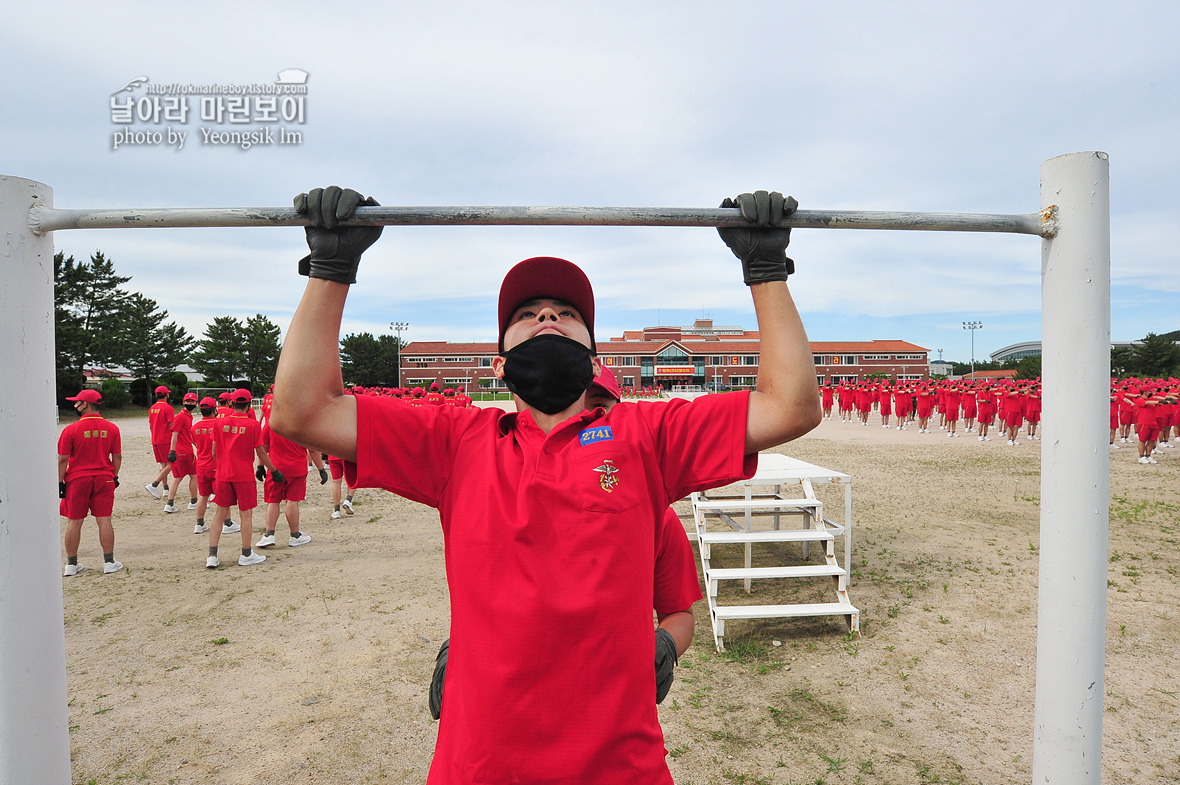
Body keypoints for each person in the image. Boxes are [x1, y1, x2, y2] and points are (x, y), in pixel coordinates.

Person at [270, 186, 820, 785]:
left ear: (592, 351)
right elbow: (303, 412)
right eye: (527, 314)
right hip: (479, 766)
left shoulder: (648, 435)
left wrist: (766, 272)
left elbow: (790, 406)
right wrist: (331, 270)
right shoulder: (456, 442)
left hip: (619, 768)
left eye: (567, 312)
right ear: (500, 363)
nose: (548, 317)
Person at [426, 366, 699, 721]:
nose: (581, 418)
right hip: (504, 712)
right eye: (567, 404)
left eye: (598, 405)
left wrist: (664, 645)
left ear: (623, 411)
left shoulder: (656, 517)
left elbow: (679, 612)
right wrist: (457, 649)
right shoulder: (493, 497)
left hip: (603, 714)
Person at [206, 388, 283, 568]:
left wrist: (223, 464)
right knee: (245, 514)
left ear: (232, 404)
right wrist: (274, 471)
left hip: (223, 475)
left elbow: (214, 452)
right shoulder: (253, 425)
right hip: (243, 475)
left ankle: (212, 555)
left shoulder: (219, 423)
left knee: (219, 514)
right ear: (249, 405)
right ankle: (246, 554)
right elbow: (261, 453)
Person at [58, 389, 124, 576]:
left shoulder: (70, 430)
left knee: (75, 521)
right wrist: (115, 475)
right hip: (104, 477)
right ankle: (109, 562)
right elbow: (117, 456)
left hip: (77, 479)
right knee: (104, 520)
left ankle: (71, 564)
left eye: (77, 402)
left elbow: (63, 459)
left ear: (85, 404)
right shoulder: (112, 428)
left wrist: (60, 482)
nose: (74, 405)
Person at [255, 411, 312, 549]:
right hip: (297, 468)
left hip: (276, 468)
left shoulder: (271, 423)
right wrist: (321, 469)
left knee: (273, 500)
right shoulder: (302, 424)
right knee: (292, 500)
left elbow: (263, 448)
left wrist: (260, 466)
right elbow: (313, 449)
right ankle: (295, 535)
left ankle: (269, 534)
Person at [164, 392, 199, 514]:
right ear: (184, 402)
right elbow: (174, 433)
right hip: (184, 452)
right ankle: (194, 502)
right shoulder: (181, 416)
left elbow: (188, 435)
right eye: (188, 402)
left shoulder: (188, 416)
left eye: (192, 402)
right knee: (194, 476)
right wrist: (172, 451)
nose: (190, 404)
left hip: (182, 451)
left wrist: (197, 446)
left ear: (196, 403)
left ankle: (170, 503)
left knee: (177, 478)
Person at [145, 385, 174, 498]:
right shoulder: (168, 408)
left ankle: (165, 488)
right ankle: (154, 484)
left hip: (155, 439)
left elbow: (151, 425)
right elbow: (172, 425)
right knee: (173, 463)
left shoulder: (152, 408)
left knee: (163, 464)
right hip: (166, 439)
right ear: (166, 395)